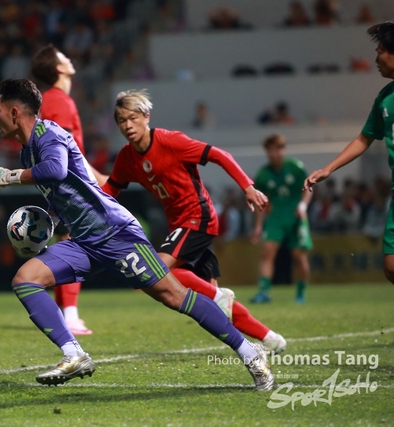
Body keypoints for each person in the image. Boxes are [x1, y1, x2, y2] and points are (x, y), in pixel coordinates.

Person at [0, 78, 275, 390]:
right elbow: (66, 190)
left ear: (14, 113)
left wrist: (7, 176)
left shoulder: (48, 134)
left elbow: (56, 170)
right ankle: (74, 354)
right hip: (83, 241)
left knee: (175, 296)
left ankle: (249, 351)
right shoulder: (28, 153)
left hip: (115, 233)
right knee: (25, 280)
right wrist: (45, 223)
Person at [101, 90, 286, 353]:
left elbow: (220, 155)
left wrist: (247, 186)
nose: (128, 125)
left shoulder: (171, 141)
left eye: (133, 118)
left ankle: (219, 297)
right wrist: (85, 214)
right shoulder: (127, 158)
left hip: (198, 217)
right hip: (179, 227)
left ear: (146, 117)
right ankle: (270, 339)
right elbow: (109, 191)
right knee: (214, 305)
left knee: (156, 272)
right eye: (122, 121)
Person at [305, 22, 394, 284]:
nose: (376, 59)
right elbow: (364, 138)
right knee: (391, 266)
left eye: (380, 51)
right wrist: (328, 169)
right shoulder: (385, 97)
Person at [30, 44, 93, 335]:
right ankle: (69, 314)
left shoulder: (54, 100)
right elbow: (59, 150)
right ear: (59, 68)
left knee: (69, 244)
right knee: (74, 245)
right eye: (64, 57)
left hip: (66, 184)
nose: (69, 59)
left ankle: (64, 312)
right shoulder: (59, 101)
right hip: (70, 187)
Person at [251, 134, 313, 304]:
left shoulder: (295, 167)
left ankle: (300, 293)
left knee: (299, 256)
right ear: (267, 152)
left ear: (283, 150)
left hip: (295, 216)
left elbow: (308, 188)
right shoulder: (263, 174)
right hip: (275, 218)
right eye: (271, 150)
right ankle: (263, 292)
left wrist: (303, 205)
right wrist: (258, 226)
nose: (275, 153)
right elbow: (259, 201)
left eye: (278, 149)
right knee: (267, 253)